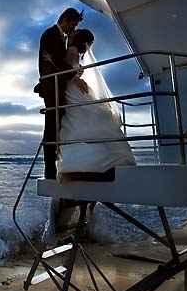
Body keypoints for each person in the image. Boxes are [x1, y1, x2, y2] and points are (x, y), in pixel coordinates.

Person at [55, 29, 136, 180]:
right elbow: (68, 72)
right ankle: (100, 159)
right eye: (90, 43)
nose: (89, 46)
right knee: (99, 114)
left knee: (97, 114)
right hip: (72, 88)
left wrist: (77, 75)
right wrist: (77, 77)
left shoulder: (74, 51)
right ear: (83, 41)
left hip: (74, 86)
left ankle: (86, 161)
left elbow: (71, 70)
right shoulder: (72, 50)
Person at [34, 8, 86, 180]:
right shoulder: (51, 33)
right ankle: (50, 169)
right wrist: (75, 77)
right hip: (51, 84)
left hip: (56, 84)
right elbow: (56, 60)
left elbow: (60, 60)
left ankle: (56, 163)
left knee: (58, 118)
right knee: (52, 122)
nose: (73, 27)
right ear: (65, 19)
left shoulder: (60, 36)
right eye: (73, 23)